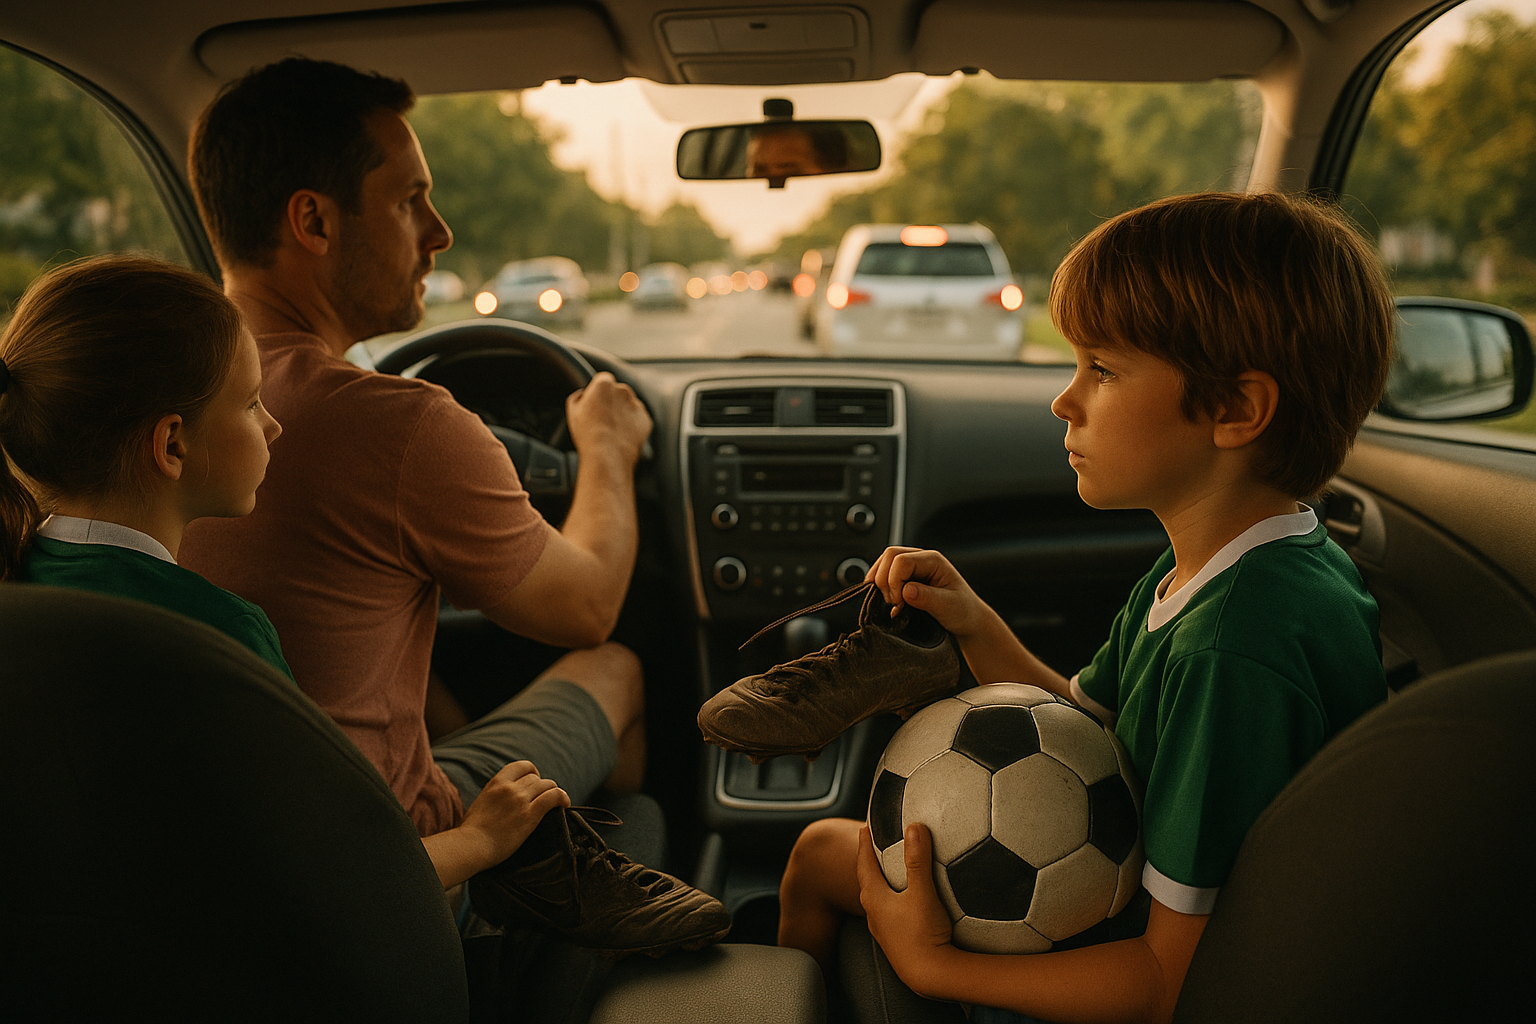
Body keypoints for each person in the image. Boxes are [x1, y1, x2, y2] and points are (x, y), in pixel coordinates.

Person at [723, 191, 1395, 1023]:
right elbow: (1081, 717)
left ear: (1236, 411)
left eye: (1103, 370)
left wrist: (934, 967)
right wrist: (973, 619)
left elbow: (1169, 982)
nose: (1063, 400)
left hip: (1170, 964)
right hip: (1139, 886)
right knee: (822, 853)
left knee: (821, 854)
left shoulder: (1235, 647)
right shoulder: (1250, 560)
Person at [0, 254, 568, 893]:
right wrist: (479, 838)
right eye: (250, 403)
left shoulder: (21, 586)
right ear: (172, 446)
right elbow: (337, 881)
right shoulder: (223, 637)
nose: (272, 423)